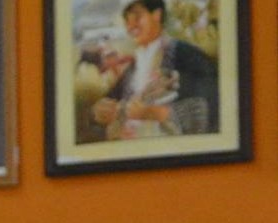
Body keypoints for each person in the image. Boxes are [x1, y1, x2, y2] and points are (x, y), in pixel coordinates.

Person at [89, 0, 218, 138]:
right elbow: (109, 103)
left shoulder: (186, 54)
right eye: (127, 21)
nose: (130, 27)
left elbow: (212, 102)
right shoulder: (132, 68)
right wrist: (99, 112)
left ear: (156, 15)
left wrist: (157, 113)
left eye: (137, 18)